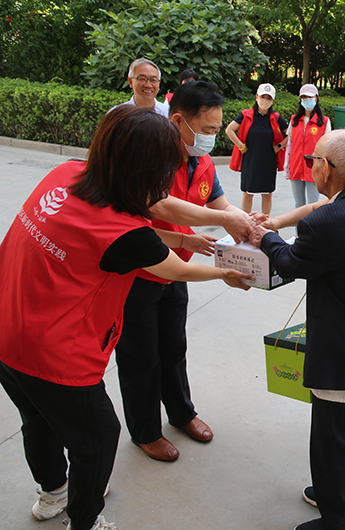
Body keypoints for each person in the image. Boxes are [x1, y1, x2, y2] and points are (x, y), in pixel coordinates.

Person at [0, 105, 252, 530]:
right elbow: (177, 270)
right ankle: (84, 520)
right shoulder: (122, 234)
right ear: (145, 171)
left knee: (39, 421)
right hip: (54, 354)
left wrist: (200, 230)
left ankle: (53, 494)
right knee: (98, 438)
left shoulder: (68, 174)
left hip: (8, 330)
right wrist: (225, 272)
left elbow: (146, 216)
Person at [249, 129, 345, 530]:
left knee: (330, 445)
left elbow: (290, 262)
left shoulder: (328, 221)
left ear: (327, 168)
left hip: (343, 358)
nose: (310, 167)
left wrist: (265, 237)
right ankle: (342, 494)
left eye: (312, 160)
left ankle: (339, 521)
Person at [114, 81, 252, 463]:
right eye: (207, 130)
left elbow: (219, 203)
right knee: (141, 358)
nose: (212, 137)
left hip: (176, 271)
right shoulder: (151, 156)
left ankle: (181, 413)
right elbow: (156, 209)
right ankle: (145, 431)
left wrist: (248, 222)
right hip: (139, 274)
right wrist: (220, 225)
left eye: (216, 129)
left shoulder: (201, 161)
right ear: (178, 121)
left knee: (173, 347)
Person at [226, 83, 289, 214]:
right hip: (250, 160)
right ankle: (246, 220)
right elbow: (229, 130)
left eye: (268, 98)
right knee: (247, 193)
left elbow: (291, 133)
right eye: (262, 97)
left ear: (272, 101)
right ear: (256, 97)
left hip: (268, 161)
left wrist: (279, 146)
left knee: (267, 194)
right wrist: (241, 146)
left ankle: (265, 220)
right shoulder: (245, 115)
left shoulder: (276, 117)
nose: (265, 100)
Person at [284, 83, 331, 209]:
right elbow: (289, 144)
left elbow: (328, 147)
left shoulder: (324, 121)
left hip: (314, 167)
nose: (307, 100)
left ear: (316, 98)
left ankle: (311, 223)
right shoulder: (294, 120)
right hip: (296, 166)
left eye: (310, 97)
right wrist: (287, 166)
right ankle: (299, 224)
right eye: (304, 97)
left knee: (313, 204)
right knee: (298, 204)